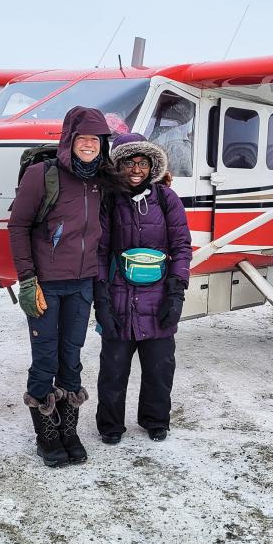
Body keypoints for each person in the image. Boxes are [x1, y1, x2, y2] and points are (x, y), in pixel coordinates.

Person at [8, 106, 112, 468]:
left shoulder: (101, 179)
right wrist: (27, 279)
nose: (89, 146)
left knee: (72, 359)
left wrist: (160, 178)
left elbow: (137, 173)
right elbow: (18, 227)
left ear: (103, 144)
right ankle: (46, 435)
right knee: (45, 361)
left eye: (95, 140)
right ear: (69, 140)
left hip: (82, 285)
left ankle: (69, 431)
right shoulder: (42, 175)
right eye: (82, 139)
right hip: (47, 286)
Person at [93, 133, 192, 444]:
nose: (135, 169)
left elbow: (181, 246)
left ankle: (155, 419)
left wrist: (176, 293)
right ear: (118, 166)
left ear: (152, 167)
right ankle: (110, 425)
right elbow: (99, 250)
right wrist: (102, 300)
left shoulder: (167, 199)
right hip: (119, 296)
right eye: (128, 163)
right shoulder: (108, 201)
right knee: (113, 370)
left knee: (159, 368)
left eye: (142, 162)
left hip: (159, 296)